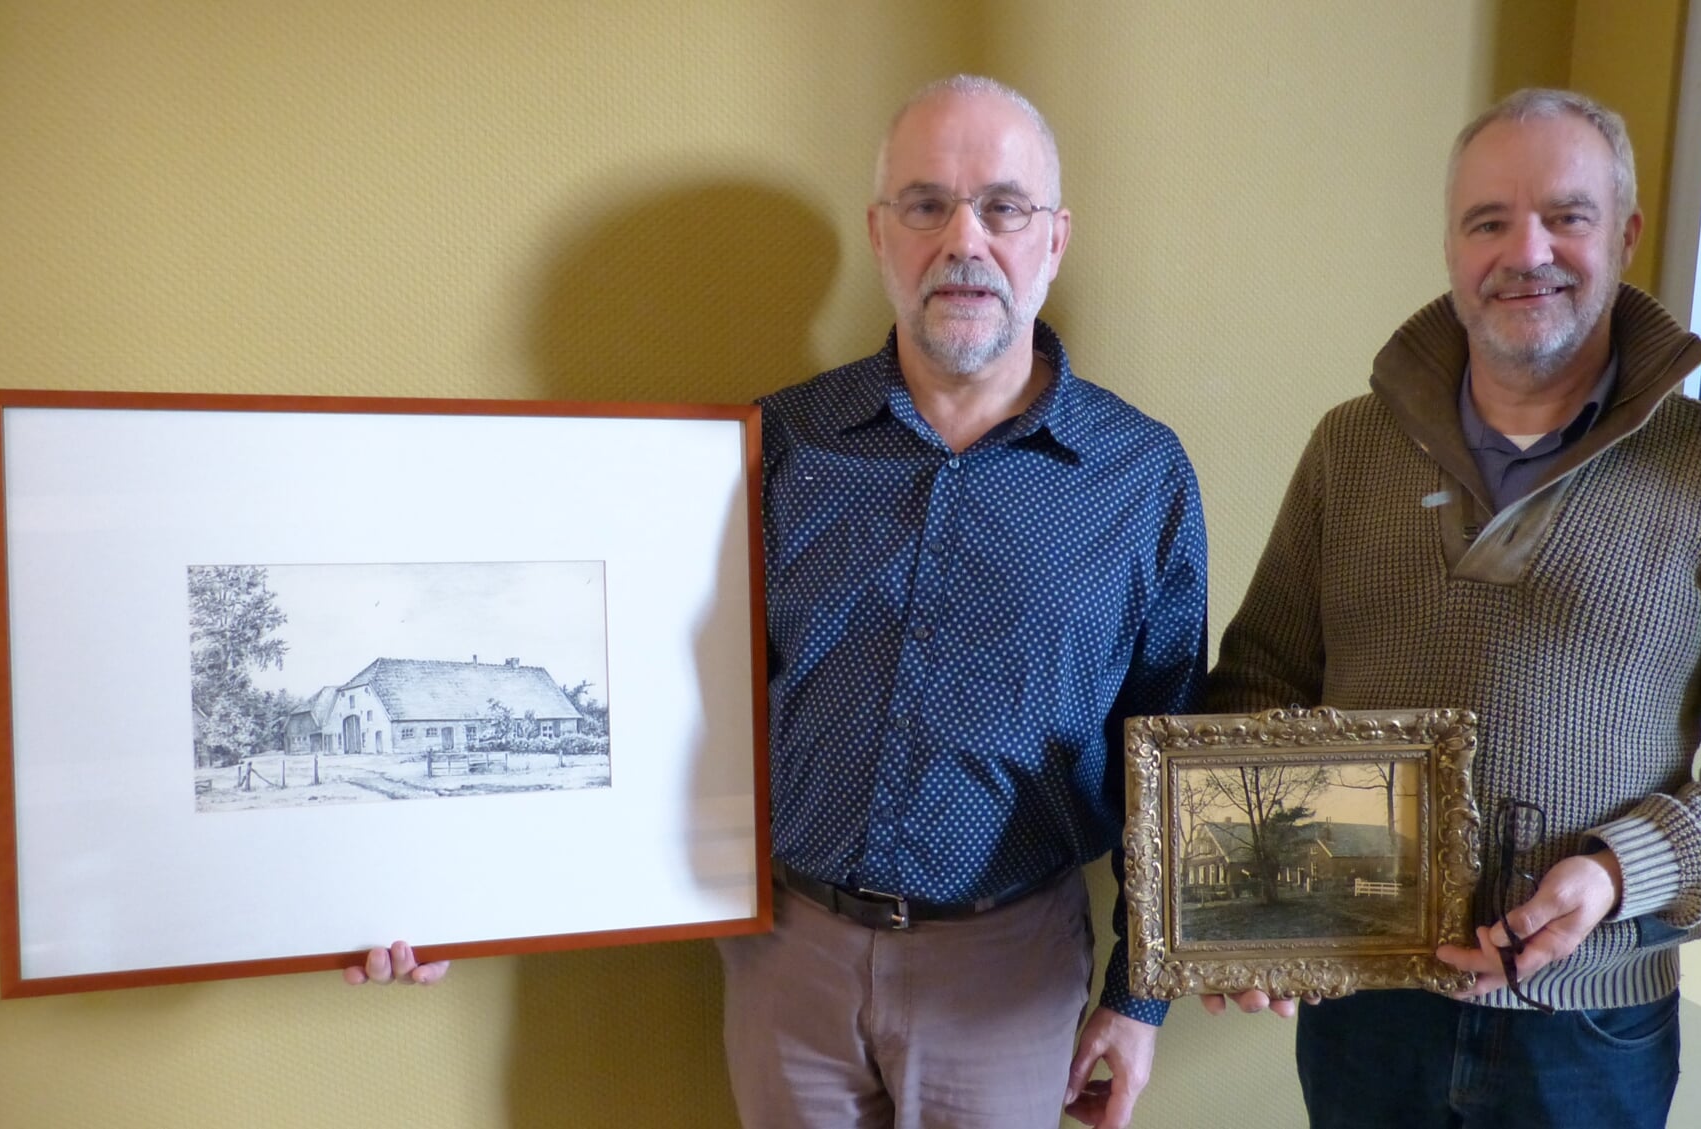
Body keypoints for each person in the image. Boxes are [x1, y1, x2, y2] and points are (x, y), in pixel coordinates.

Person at [351, 75, 1206, 1129]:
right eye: (926, 204)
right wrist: (455, 897)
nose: (965, 241)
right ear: (881, 234)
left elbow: (1169, 750)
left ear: (1054, 239)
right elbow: (646, 702)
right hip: (786, 956)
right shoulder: (770, 448)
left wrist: (1140, 996)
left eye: (1003, 206)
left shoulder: (1139, 475)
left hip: (1007, 971)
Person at [1202, 87, 1701, 1128]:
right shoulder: (1350, 447)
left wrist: (1620, 870)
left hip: (1590, 1030)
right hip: (1365, 1017)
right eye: (1488, 221)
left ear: (1626, 235)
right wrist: (1257, 901)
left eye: (1566, 214)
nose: (1528, 251)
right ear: (1451, 248)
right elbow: (1260, 685)